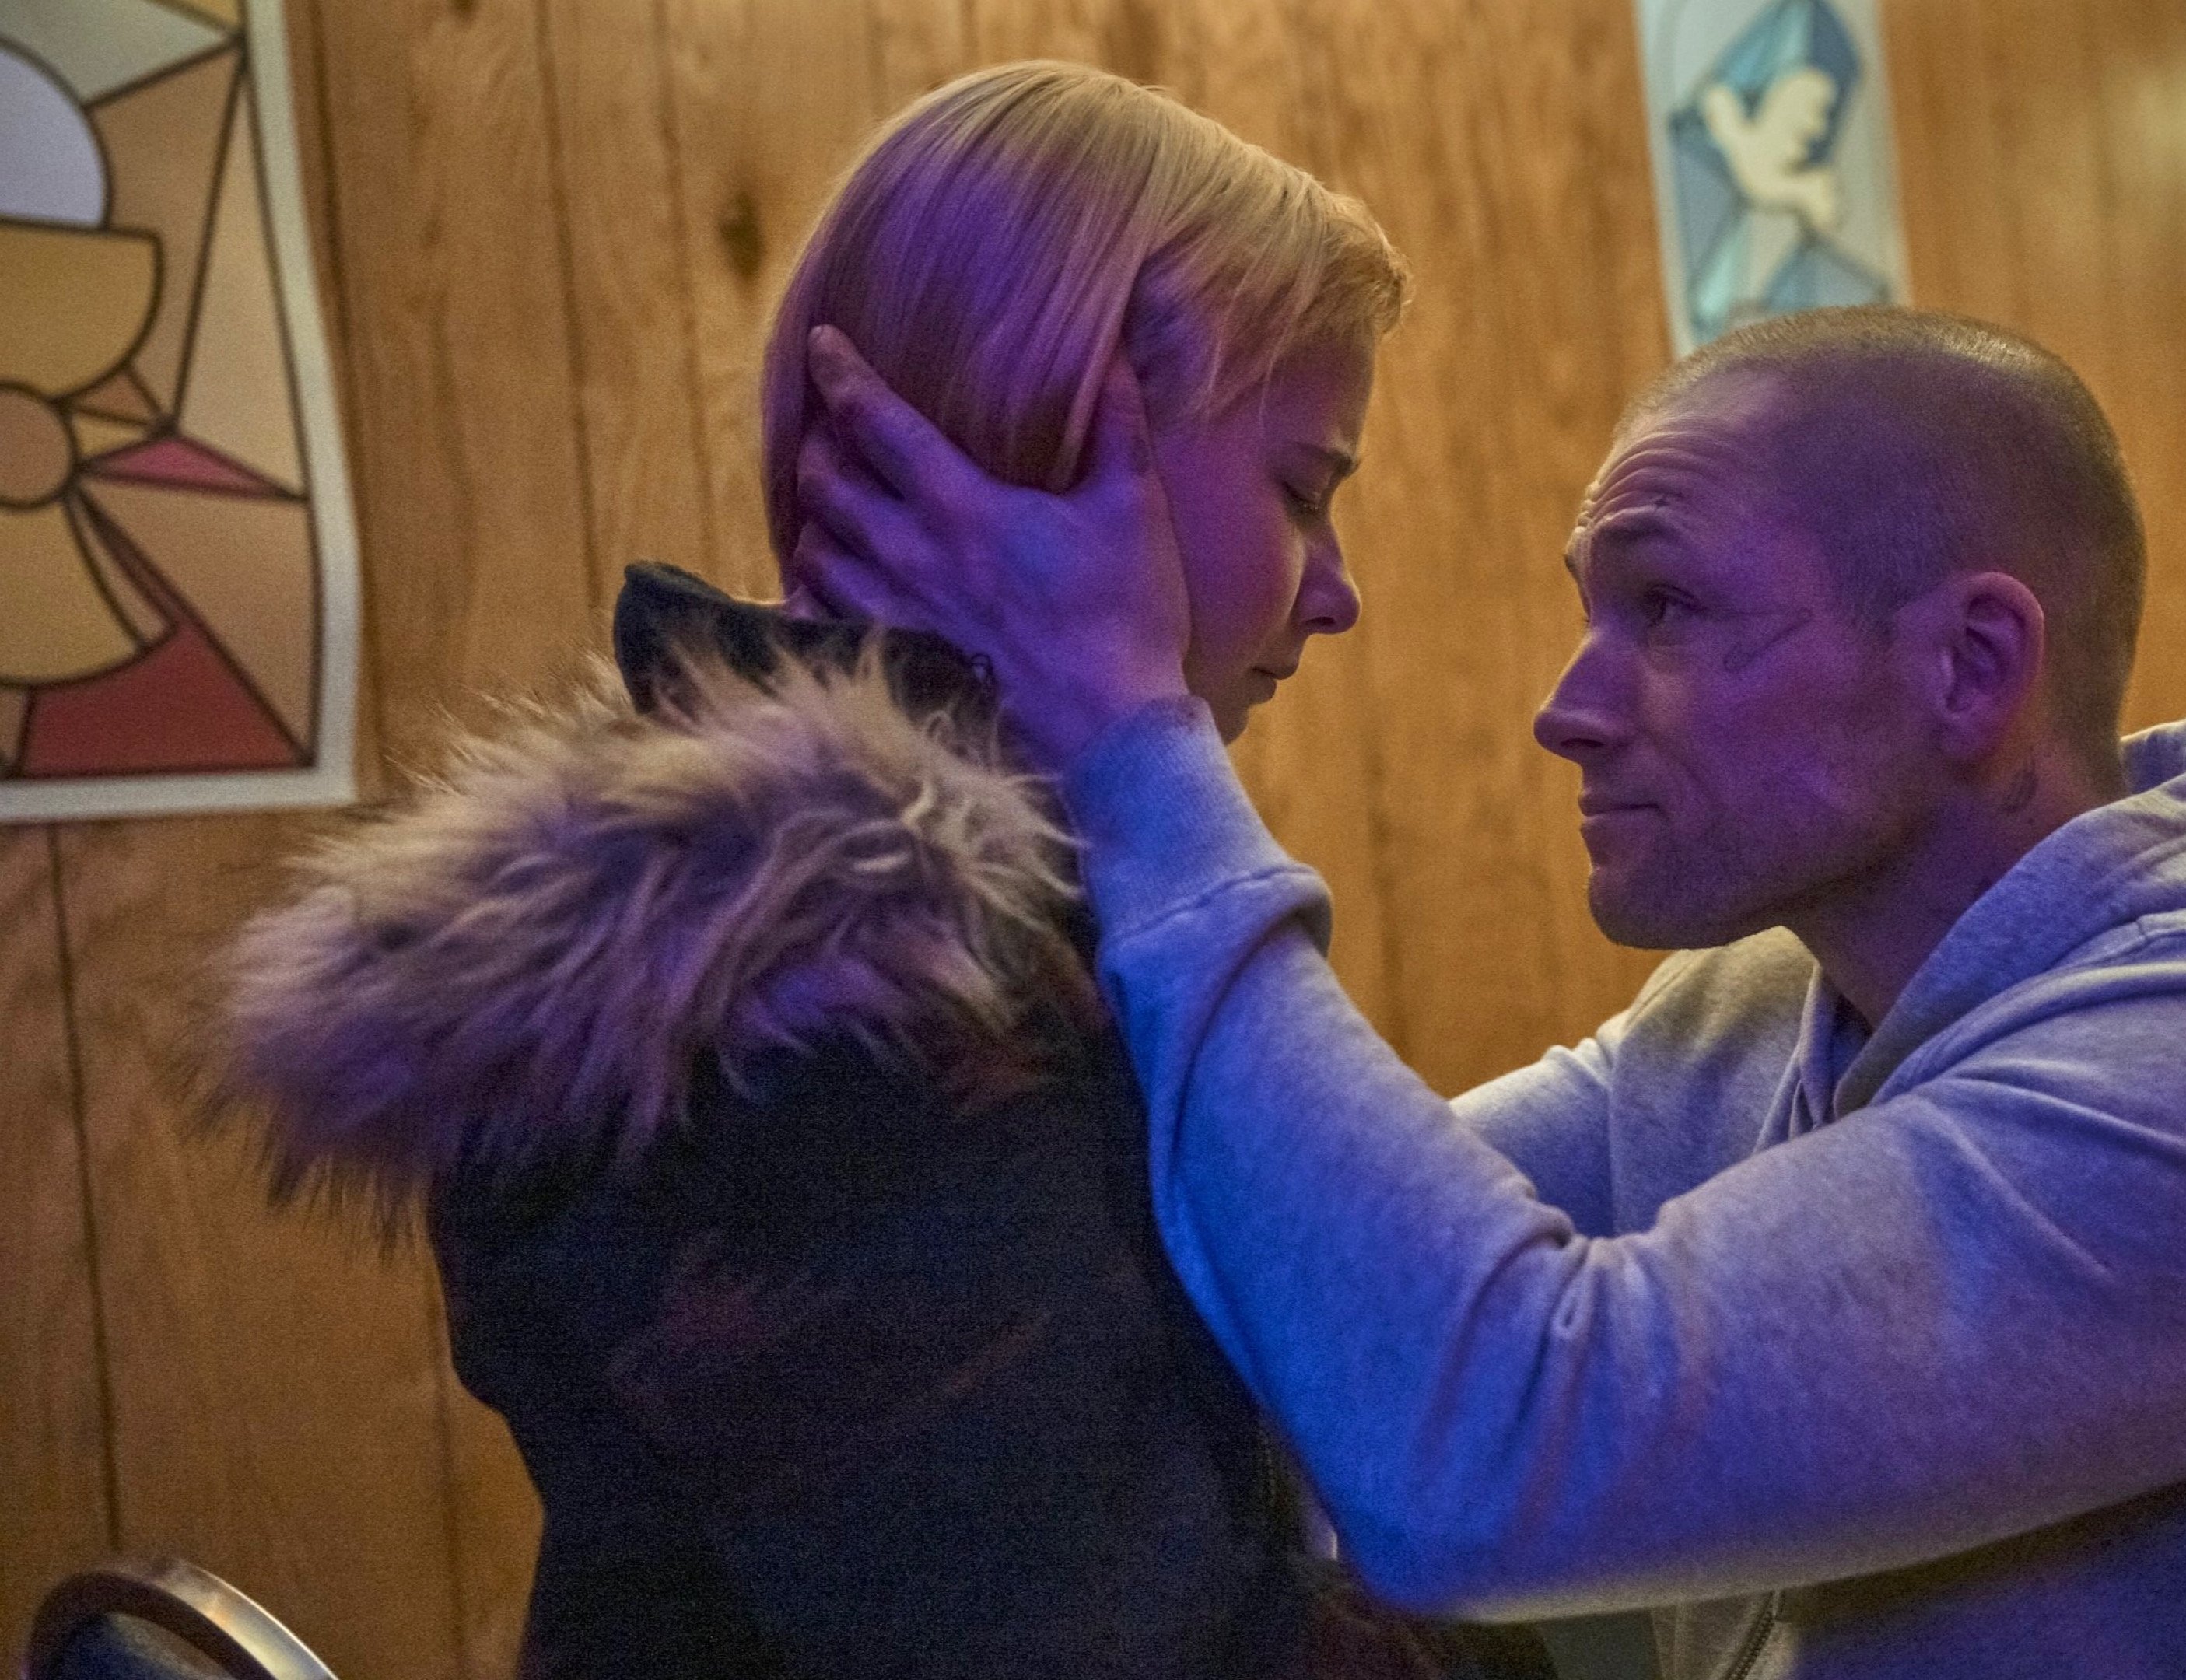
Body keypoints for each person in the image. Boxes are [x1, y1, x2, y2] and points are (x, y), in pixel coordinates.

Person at [792, 301, 2186, 1677]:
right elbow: (1281, 1293)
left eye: (1671, 609)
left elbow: (1486, 1451)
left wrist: (1131, 737)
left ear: (1970, 671)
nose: (1569, 707)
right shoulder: (1755, 1014)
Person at [216, 61, 1548, 1680]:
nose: (1336, 594)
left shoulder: (896, 927)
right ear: (1067, 449)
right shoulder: (830, 1004)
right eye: (1303, 493)